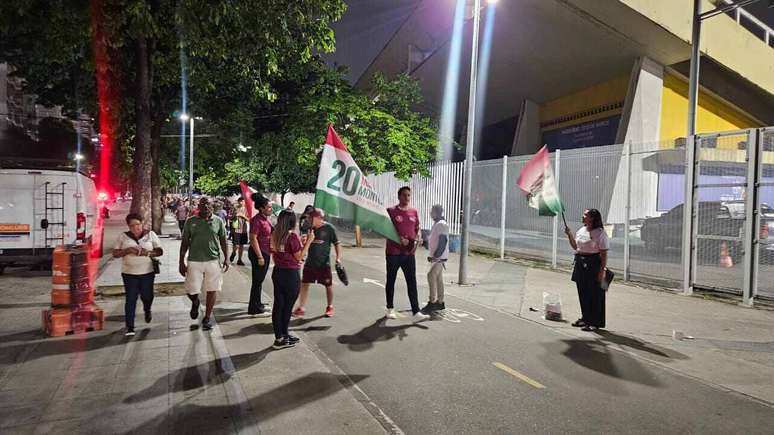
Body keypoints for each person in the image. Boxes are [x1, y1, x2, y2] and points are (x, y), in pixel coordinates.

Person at [179, 197, 230, 331]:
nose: (206, 207)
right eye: (203, 205)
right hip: (194, 260)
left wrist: (227, 258)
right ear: (198, 207)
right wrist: (181, 262)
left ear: (212, 207)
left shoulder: (218, 221)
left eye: (208, 205)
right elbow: (184, 243)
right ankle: (195, 302)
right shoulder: (191, 222)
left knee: (212, 289)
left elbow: (224, 240)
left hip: (213, 260)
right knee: (191, 290)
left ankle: (207, 317)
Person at [112, 213, 163, 336]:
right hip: (129, 273)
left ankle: (147, 309)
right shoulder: (123, 237)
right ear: (128, 226)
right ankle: (130, 326)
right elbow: (115, 253)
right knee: (131, 299)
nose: (136, 227)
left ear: (142, 223)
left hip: (147, 272)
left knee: (147, 296)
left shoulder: (150, 234)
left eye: (138, 224)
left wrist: (148, 253)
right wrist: (128, 250)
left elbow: (160, 251)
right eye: (132, 225)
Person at [270, 210, 314, 349]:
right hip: (290, 274)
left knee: (278, 305)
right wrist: (309, 242)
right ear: (292, 221)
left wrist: (300, 243)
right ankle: (281, 338)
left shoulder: (276, 234)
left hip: (278, 272)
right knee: (287, 307)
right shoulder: (292, 236)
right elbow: (299, 257)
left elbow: (279, 251)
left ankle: (282, 335)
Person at [385, 186, 429, 322]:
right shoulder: (391, 211)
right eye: (404, 195)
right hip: (393, 253)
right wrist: (398, 239)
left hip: (409, 254)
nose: (407, 198)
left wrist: (418, 237)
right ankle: (390, 309)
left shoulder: (414, 212)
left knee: (412, 282)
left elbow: (417, 228)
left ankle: (416, 311)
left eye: (409, 195)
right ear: (399, 196)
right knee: (391, 280)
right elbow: (384, 229)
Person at [564, 208, 609, 332]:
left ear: (593, 218)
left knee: (594, 294)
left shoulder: (600, 233)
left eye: (585, 215)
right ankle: (585, 318)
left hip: (593, 264)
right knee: (582, 293)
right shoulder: (582, 230)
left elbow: (604, 254)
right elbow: (575, 246)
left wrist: (601, 271)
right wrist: (569, 235)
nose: (582, 217)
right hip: (580, 263)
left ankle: (594, 322)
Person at [293, 208, 341, 318]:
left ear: (319, 218)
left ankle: (330, 306)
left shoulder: (329, 228)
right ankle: (301, 307)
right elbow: (303, 244)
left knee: (328, 286)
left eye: (311, 217)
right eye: (309, 217)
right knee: (304, 284)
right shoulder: (307, 227)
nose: (309, 219)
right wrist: (303, 241)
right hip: (310, 262)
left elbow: (337, 243)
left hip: (324, 264)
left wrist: (338, 258)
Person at [247, 194, 273, 316]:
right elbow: (253, 238)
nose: (270, 209)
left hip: (265, 252)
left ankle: (258, 303)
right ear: (262, 208)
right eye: (268, 207)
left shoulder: (265, 219)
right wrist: (260, 256)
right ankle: (254, 307)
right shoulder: (257, 220)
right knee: (257, 281)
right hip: (259, 252)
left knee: (259, 280)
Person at [421, 204, 449, 314]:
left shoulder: (441, 224)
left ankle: (432, 302)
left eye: (432, 211)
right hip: (437, 257)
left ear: (437, 212)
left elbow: (443, 241)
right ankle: (440, 302)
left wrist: (436, 255)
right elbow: (434, 240)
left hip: (439, 258)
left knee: (431, 276)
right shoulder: (437, 224)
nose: (430, 213)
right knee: (438, 279)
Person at [230, 197, 249, 266]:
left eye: (243, 201)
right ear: (238, 202)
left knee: (242, 245)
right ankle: (234, 253)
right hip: (236, 229)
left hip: (243, 230)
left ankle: (239, 259)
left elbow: (249, 219)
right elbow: (230, 217)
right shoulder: (235, 208)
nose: (242, 202)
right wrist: (235, 215)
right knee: (236, 245)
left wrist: (243, 216)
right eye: (241, 201)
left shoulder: (247, 209)